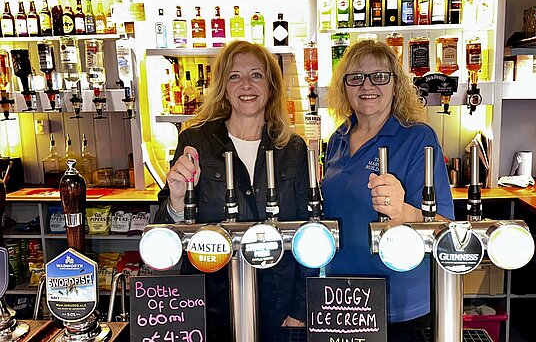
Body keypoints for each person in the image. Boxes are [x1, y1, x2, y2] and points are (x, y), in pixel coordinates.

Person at [153, 40, 313, 341]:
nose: (246, 85)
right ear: (223, 86)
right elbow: (164, 232)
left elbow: (310, 230)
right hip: (213, 307)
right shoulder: (196, 142)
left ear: (271, 86)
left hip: (280, 307)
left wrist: (301, 310)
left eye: (256, 75)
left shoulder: (292, 149)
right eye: (234, 76)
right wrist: (175, 200)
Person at [321, 40, 454, 333]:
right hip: (340, 298)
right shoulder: (337, 139)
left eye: (379, 76)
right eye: (355, 77)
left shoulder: (418, 138)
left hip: (399, 304)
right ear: (344, 87)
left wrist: (404, 211)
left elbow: (446, 227)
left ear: (396, 84)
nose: (367, 85)